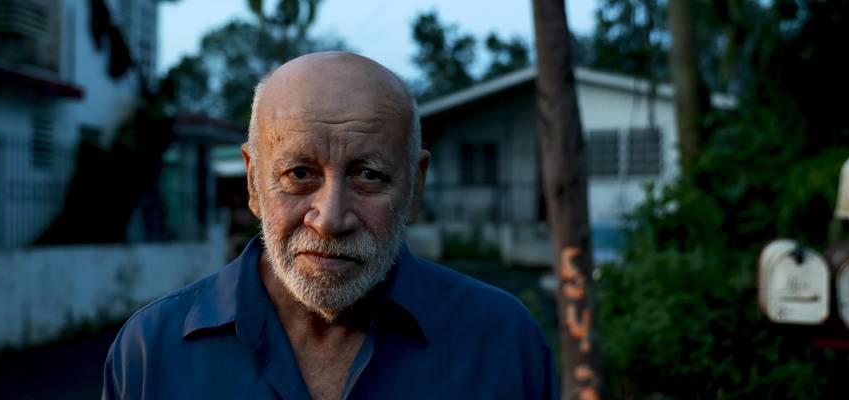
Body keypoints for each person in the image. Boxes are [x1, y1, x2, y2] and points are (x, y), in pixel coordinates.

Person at [101, 51, 556, 400]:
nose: (331, 218)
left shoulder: (502, 343)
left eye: (368, 175)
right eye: (299, 174)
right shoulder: (151, 352)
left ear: (414, 188)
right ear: (254, 183)